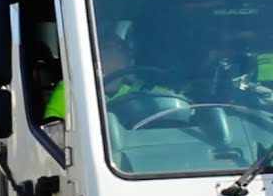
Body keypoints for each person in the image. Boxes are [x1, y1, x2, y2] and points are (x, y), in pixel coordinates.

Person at [42, 23, 183, 123]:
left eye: (128, 47)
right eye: (121, 47)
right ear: (98, 53)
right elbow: (53, 128)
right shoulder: (73, 89)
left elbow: (174, 101)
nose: (130, 52)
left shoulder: (140, 88)